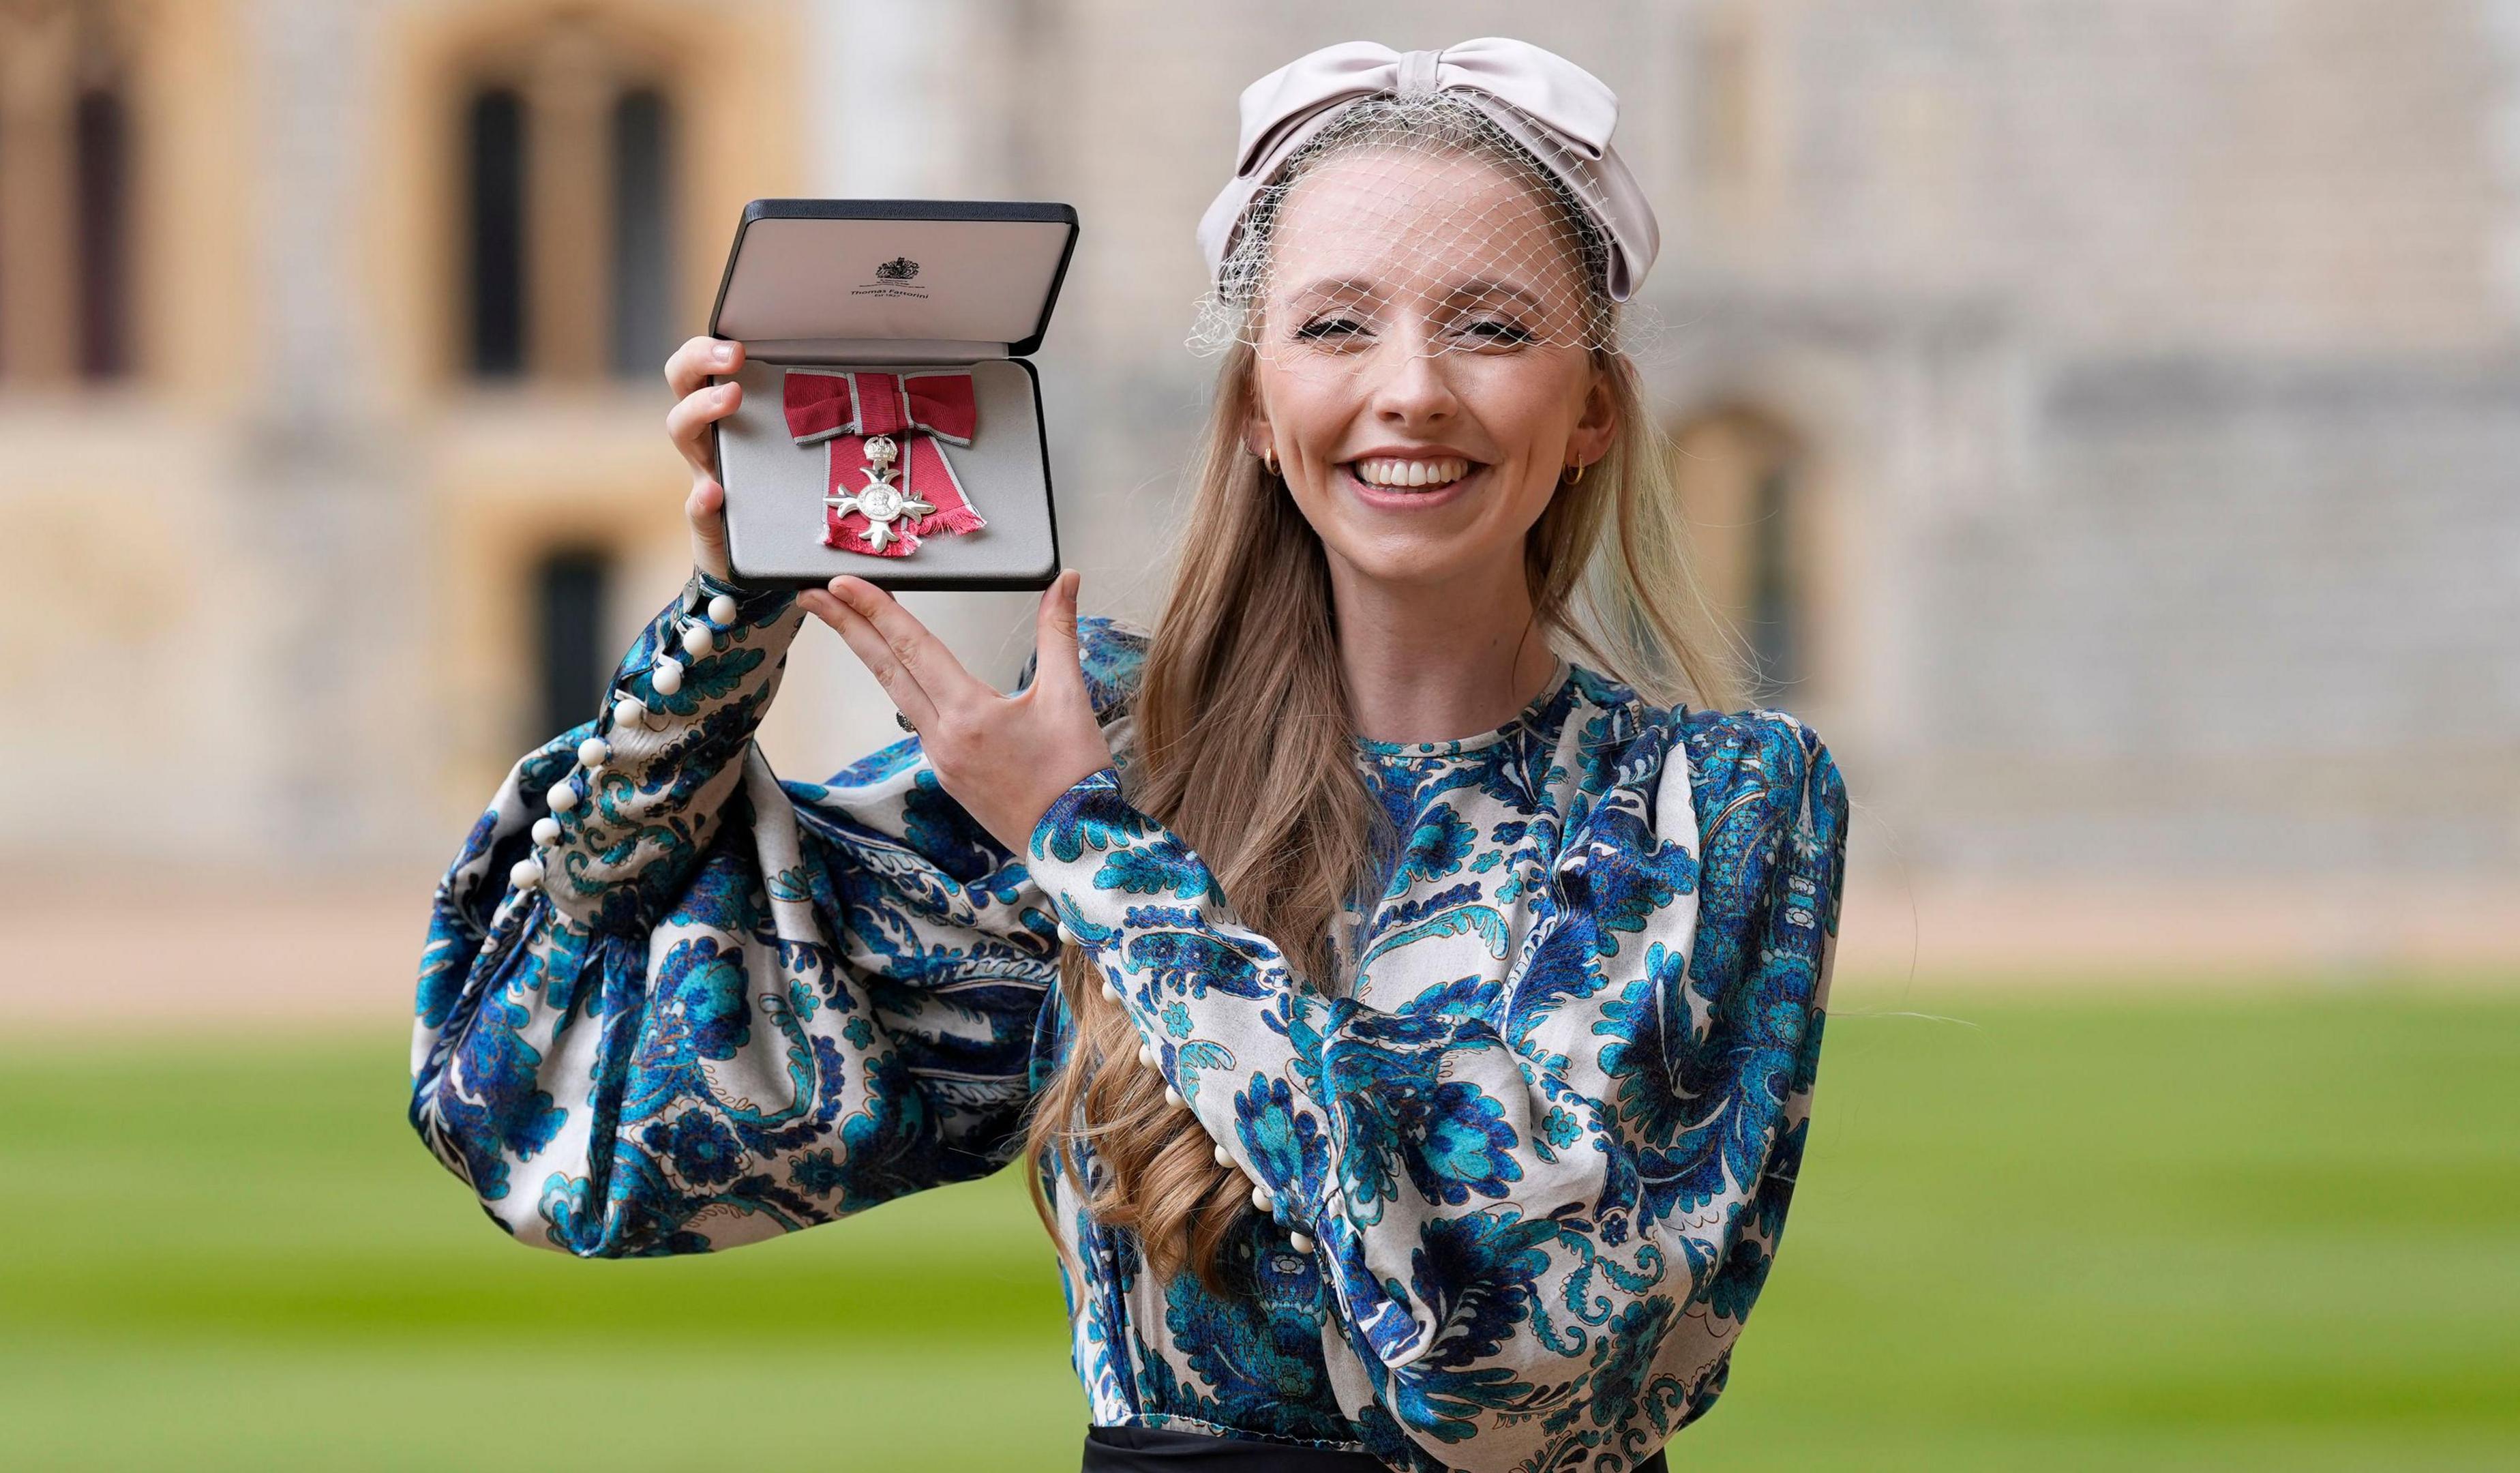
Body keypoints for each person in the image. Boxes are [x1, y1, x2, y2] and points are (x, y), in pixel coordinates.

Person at [408, 38, 1850, 1473]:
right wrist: (738, 611)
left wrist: (1090, 857)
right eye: (1337, 327)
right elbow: (537, 1079)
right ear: (1258, 413)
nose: (1411, 391)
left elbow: (1519, 1365)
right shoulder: (1109, 754)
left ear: (1594, 407)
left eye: (1492, 327)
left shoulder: (1714, 807)